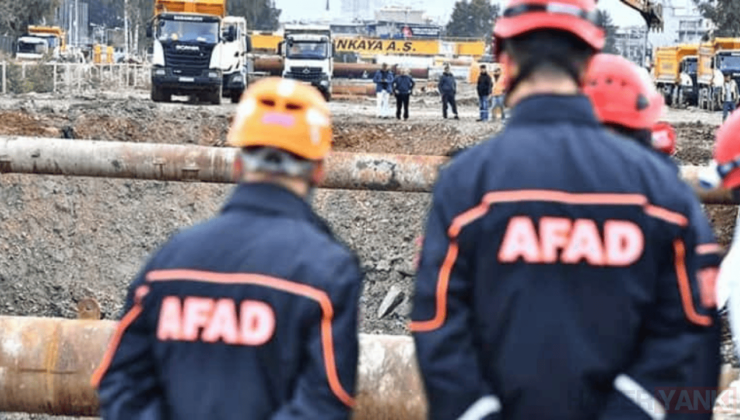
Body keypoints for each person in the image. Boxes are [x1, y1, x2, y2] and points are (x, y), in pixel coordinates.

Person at [410, 0, 718, 418]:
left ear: (505, 60)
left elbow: (437, 323)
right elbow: (691, 333)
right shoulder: (661, 190)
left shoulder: (466, 185)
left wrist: (478, 411)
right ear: (591, 59)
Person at [91, 78, 362, 420]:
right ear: (319, 171)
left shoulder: (169, 261)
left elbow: (120, 382)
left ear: (238, 164)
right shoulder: (328, 272)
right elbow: (327, 399)